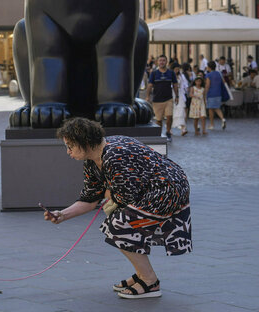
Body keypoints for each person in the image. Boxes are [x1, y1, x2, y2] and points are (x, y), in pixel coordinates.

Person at [46, 117, 192, 299]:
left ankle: (149, 281)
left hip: (169, 188)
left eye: (70, 146)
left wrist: (109, 195)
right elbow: (90, 198)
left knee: (119, 225)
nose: (68, 151)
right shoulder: (93, 160)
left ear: (86, 143)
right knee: (119, 223)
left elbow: (125, 197)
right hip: (157, 187)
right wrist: (62, 215)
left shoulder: (115, 156)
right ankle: (142, 275)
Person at [146, 55, 179, 141]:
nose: (162, 62)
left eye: (163, 60)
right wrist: (147, 96)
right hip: (157, 100)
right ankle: (160, 133)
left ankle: (168, 132)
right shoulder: (154, 73)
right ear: (157, 62)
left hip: (169, 99)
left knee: (169, 116)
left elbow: (175, 84)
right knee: (159, 120)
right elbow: (149, 85)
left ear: (166, 62)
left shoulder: (171, 73)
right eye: (160, 60)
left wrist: (177, 96)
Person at [204, 61, 227, 130]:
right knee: (217, 107)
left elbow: (208, 85)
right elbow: (224, 82)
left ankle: (212, 124)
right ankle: (223, 119)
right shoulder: (219, 73)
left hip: (211, 93)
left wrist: (205, 93)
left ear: (209, 67)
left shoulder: (208, 75)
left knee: (211, 109)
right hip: (218, 93)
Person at [172, 63, 188, 136]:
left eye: (178, 69)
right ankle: (170, 129)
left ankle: (183, 128)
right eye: (175, 69)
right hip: (172, 94)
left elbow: (185, 84)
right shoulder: (170, 75)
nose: (177, 70)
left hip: (180, 94)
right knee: (172, 111)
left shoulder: (181, 76)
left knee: (181, 111)